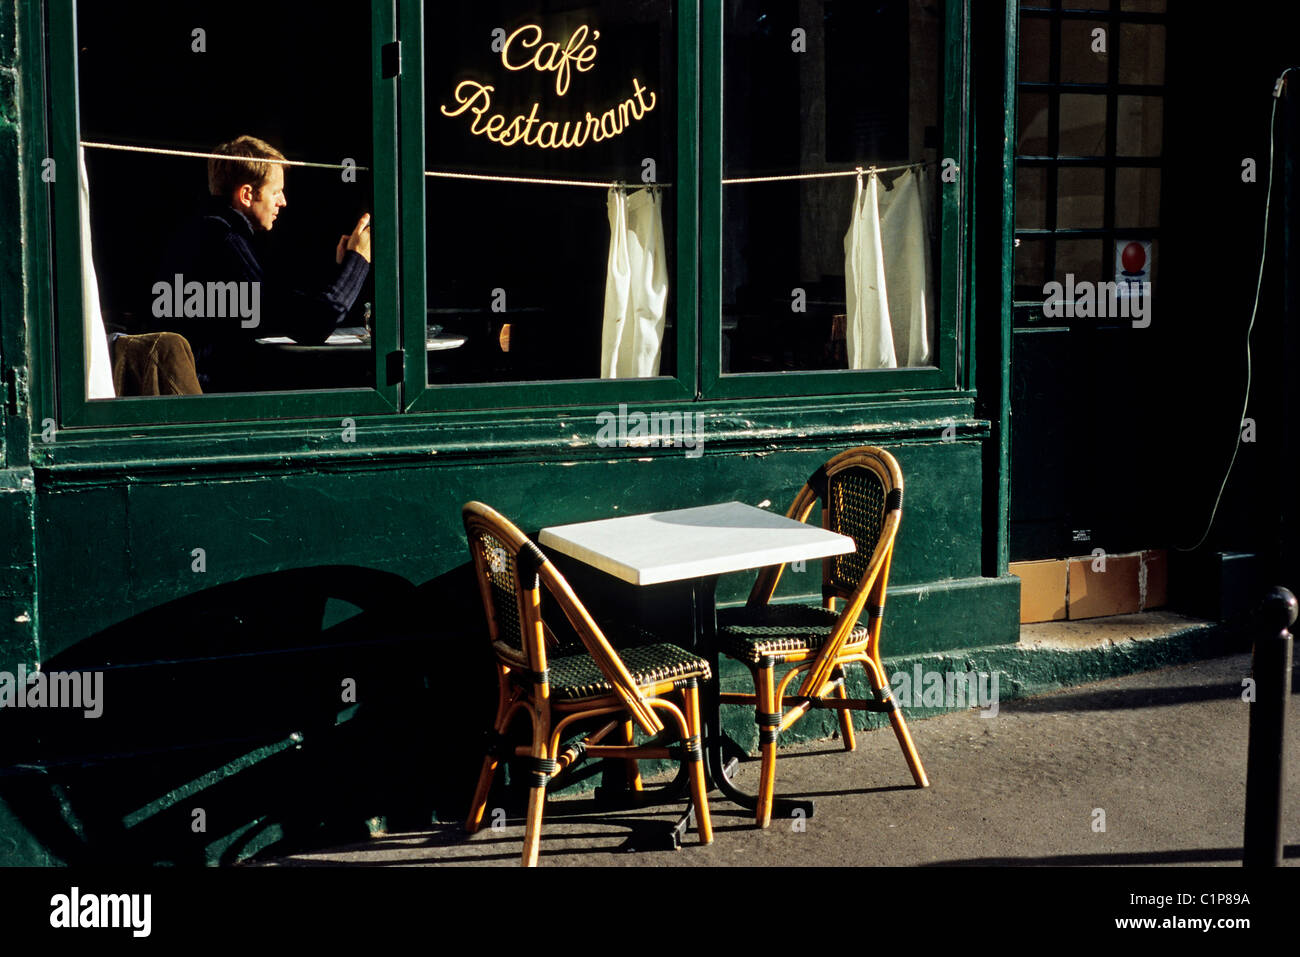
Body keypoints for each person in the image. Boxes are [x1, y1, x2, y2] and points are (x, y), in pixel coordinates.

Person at [154, 135, 372, 392]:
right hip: (216, 402)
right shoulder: (225, 243)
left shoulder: (203, 233)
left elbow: (282, 305)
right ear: (247, 194)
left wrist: (342, 269)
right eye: (276, 191)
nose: (283, 201)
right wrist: (358, 260)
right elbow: (313, 324)